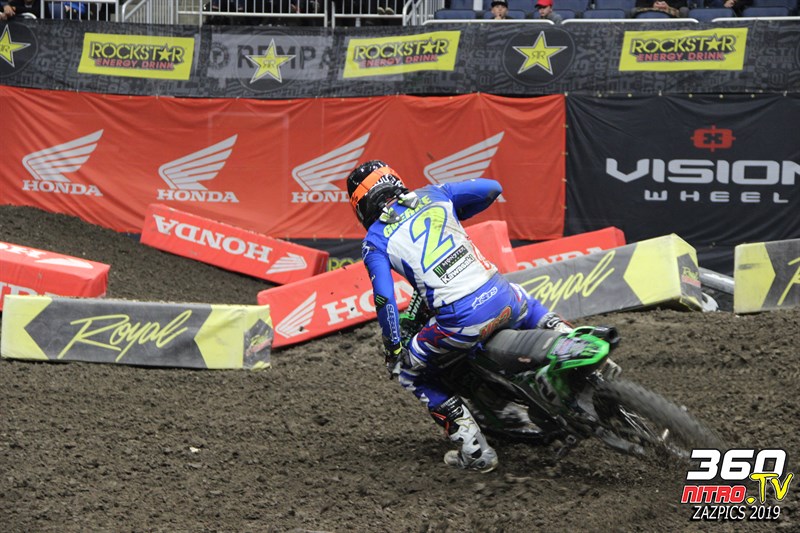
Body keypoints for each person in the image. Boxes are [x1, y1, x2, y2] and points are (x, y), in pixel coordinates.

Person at [347, 160, 572, 473]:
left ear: (361, 205)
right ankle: (571, 338)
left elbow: (384, 298)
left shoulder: (375, 240)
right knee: (528, 303)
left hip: (460, 320)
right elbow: (492, 188)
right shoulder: (433, 194)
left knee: (408, 371)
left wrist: (394, 347)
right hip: (501, 294)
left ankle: (475, 450)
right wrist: (455, 208)